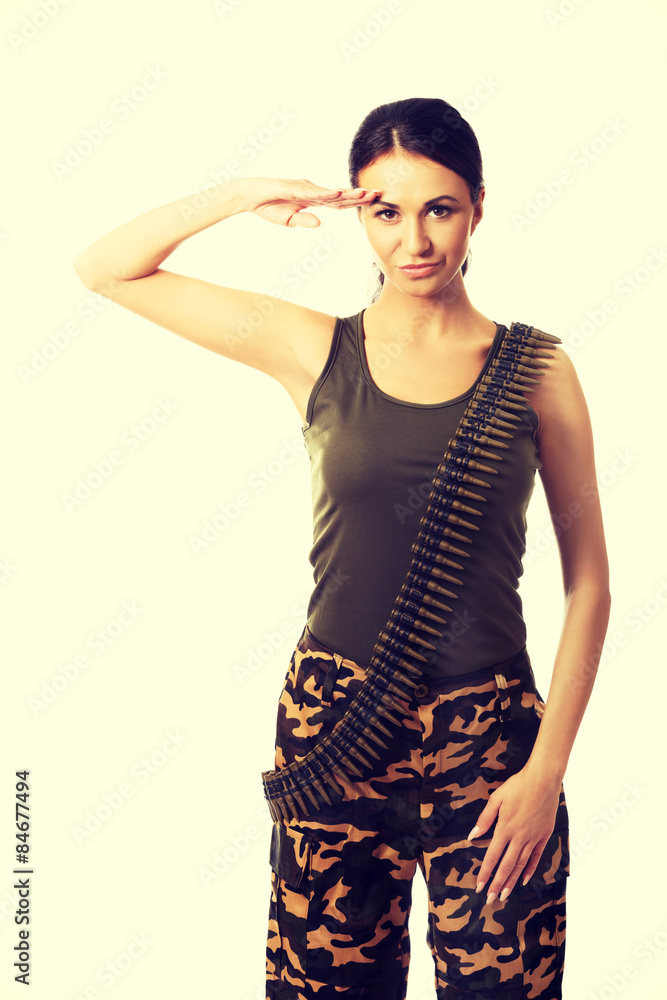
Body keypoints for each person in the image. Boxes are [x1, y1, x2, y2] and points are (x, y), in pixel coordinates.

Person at [73, 97, 610, 999]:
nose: (414, 240)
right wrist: (239, 194)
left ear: (477, 207)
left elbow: (589, 583)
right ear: (357, 213)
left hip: (492, 739)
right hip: (336, 723)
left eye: (439, 208)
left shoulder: (536, 369)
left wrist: (545, 772)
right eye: (385, 211)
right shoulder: (314, 347)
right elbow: (104, 270)